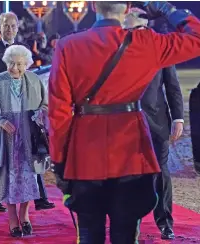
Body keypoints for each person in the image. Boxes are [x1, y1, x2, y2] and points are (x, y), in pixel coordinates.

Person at [48, 1, 200, 243]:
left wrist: (59, 161)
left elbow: (58, 114)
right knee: (126, 234)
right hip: (131, 151)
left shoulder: (68, 45)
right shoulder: (147, 43)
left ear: (94, 5)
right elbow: (197, 37)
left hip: (85, 152)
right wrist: (165, 8)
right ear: (128, 7)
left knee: (88, 233)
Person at [0, 11, 55, 212]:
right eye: (5, 25)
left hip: (24, 113)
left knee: (29, 154)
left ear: (17, 28)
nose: (9, 29)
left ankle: (38, 196)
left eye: (13, 26)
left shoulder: (24, 51)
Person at [124, 8, 184, 240]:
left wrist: (178, 118)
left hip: (157, 123)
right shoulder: (118, 51)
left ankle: (165, 222)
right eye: (128, 27)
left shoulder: (161, 50)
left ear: (145, 27)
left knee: (161, 173)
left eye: (134, 27)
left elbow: (172, 86)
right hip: (126, 125)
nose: (130, 31)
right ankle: (130, 224)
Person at [0, 45, 47, 237]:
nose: (15, 68)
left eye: (19, 64)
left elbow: (46, 104)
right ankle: (12, 219)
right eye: (11, 63)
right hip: (5, 138)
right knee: (8, 176)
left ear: (27, 64)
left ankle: (24, 215)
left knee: (28, 176)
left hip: (28, 136)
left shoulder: (34, 80)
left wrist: (41, 114)